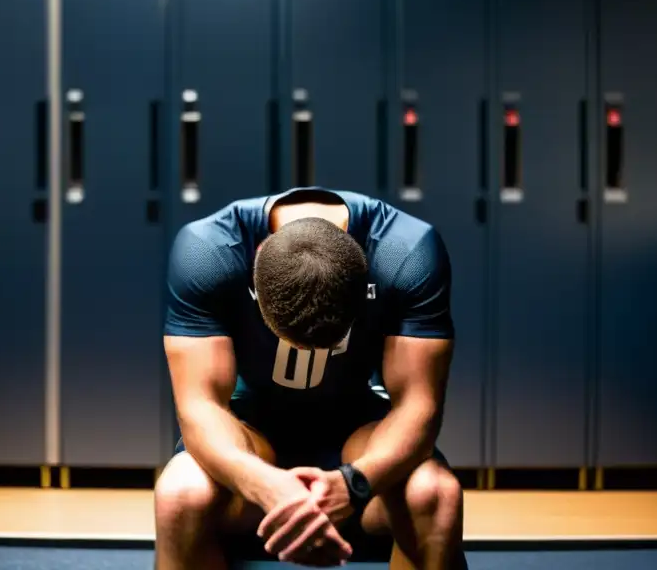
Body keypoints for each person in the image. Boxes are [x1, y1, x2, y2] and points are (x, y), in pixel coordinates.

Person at [154, 187, 465, 569]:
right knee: (179, 495)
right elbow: (199, 404)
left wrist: (355, 484)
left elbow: (420, 405)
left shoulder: (405, 251)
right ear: (257, 260)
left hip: (360, 433)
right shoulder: (209, 249)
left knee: (434, 494)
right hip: (250, 433)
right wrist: (265, 484)